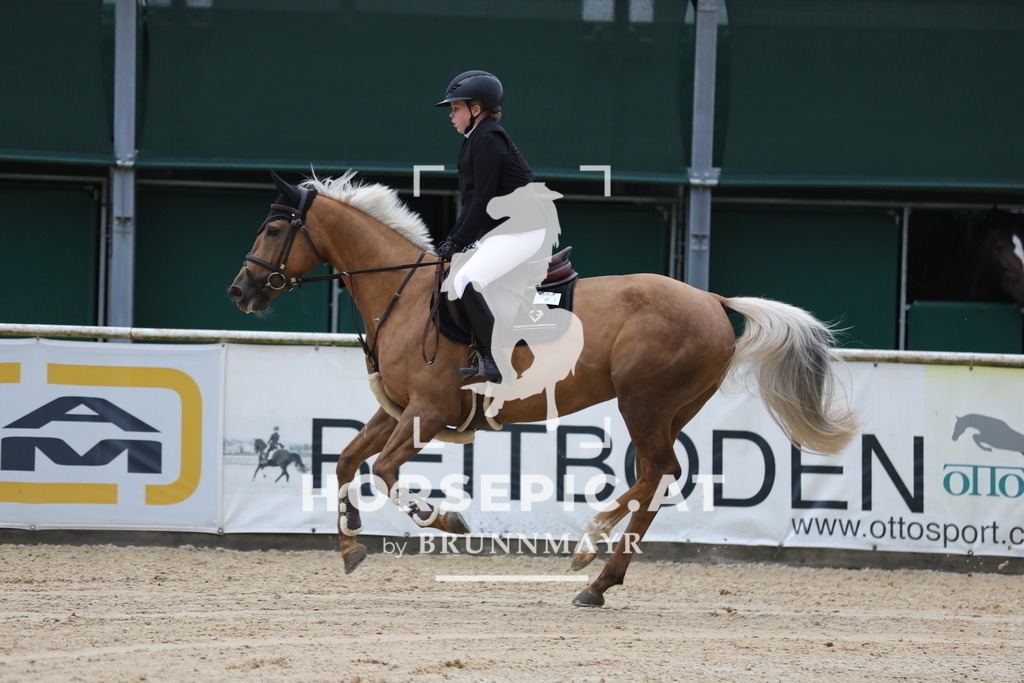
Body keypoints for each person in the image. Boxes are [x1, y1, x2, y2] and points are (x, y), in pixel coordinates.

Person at [434, 70, 548, 384]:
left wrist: (457, 241)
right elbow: (473, 202)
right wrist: (453, 240)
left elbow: (482, 201)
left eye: (455, 108)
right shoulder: (476, 139)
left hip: (522, 229)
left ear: (476, 109)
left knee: (466, 279)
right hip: (504, 229)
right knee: (456, 273)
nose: (451, 115)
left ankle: (492, 359)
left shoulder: (487, 139)